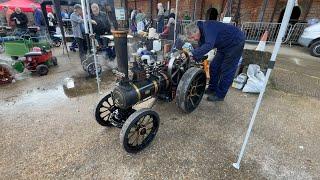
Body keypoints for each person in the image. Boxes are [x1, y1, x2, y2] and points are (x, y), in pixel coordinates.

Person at [184, 21, 245, 102]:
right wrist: (194, 58)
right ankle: (212, 89)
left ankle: (220, 95)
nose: (193, 40)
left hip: (235, 42)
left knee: (227, 69)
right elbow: (201, 47)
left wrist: (192, 54)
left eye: (192, 37)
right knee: (214, 66)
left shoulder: (208, 28)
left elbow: (208, 45)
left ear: (196, 31)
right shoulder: (200, 33)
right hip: (223, 45)